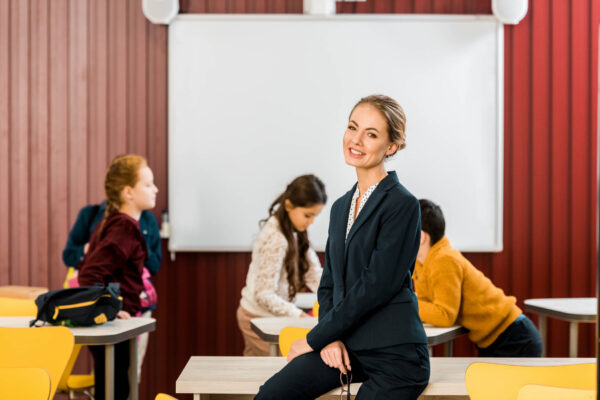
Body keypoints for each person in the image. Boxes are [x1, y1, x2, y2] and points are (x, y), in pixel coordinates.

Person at [256, 95, 430, 400]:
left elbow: (375, 286)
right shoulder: (339, 208)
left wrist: (315, 338)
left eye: (371, 134)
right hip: (347, 347)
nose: (357, 140)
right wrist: (329, 339)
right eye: (353, 128)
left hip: (395, 353)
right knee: (270, 396)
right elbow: (329, 284)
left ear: (390, 147)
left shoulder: (402, 204)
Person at [413, 199, 542, 357]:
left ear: (420, 237)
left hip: (514, 338)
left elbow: (444, 315)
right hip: (496, 339)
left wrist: (410, 303)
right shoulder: (422, 263)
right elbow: (426, 304)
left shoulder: (444, 260)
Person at [78, 154, 159, 400]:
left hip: (117, 324)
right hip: (114, 325)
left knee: (114, 388)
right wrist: (112, 307)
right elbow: (90, 274)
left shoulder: (116, 223)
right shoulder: (123, 228)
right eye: (147, 184)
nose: (155, 189)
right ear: (128, 192)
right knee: (116, 391)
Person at [237, 174, 327, 356]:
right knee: (274, 370)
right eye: (308, 215)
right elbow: (263, 294)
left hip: (268, 316)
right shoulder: (275, 237)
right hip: (257, 317)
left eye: (315, 216)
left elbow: (315, 274)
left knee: (259, 371)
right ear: (289, 206)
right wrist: (301, 317)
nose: (311, 222)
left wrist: (336, 297)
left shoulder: (296, 230)